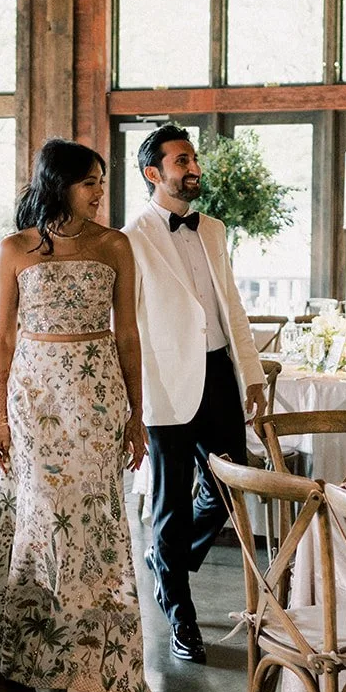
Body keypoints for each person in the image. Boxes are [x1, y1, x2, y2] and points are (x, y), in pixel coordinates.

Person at [0, 138, 152, 692]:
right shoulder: (15, 249)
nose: (100, 192)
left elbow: (127, 334)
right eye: (89, 183)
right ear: (58, 184)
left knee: (94, 521)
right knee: (41, 518)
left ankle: (88, 666)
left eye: (102, 181)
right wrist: (2, 418)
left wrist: (137, 414)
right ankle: (37, 652)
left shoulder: (115, 246)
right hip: (35, 401)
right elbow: (2, 338)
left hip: (98, 397)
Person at [123, 124, 265, 664]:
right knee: (171, 507)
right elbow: (129, 324)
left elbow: (231, 304)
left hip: (220, 375)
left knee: (229, 489)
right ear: (153, 173)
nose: (193, 168)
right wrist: (134, 402)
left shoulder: (214, 230)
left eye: (193, 159)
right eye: (182, 160)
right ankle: (181, 619)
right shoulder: (131, 238)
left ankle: (168, 563)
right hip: (166, 383)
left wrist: (250, 374)